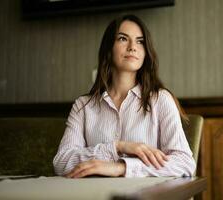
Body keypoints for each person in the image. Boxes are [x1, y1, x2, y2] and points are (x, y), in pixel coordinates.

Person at [53, 14, 196, 178]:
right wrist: (118, 147)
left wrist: (122, 167)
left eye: (140, 41)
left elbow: (185, 163)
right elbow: (61, 163)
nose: (132, 47)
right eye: (123, 39)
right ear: (108, 48)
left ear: (145, 52)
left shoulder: (161, 100)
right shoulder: (83, 106)